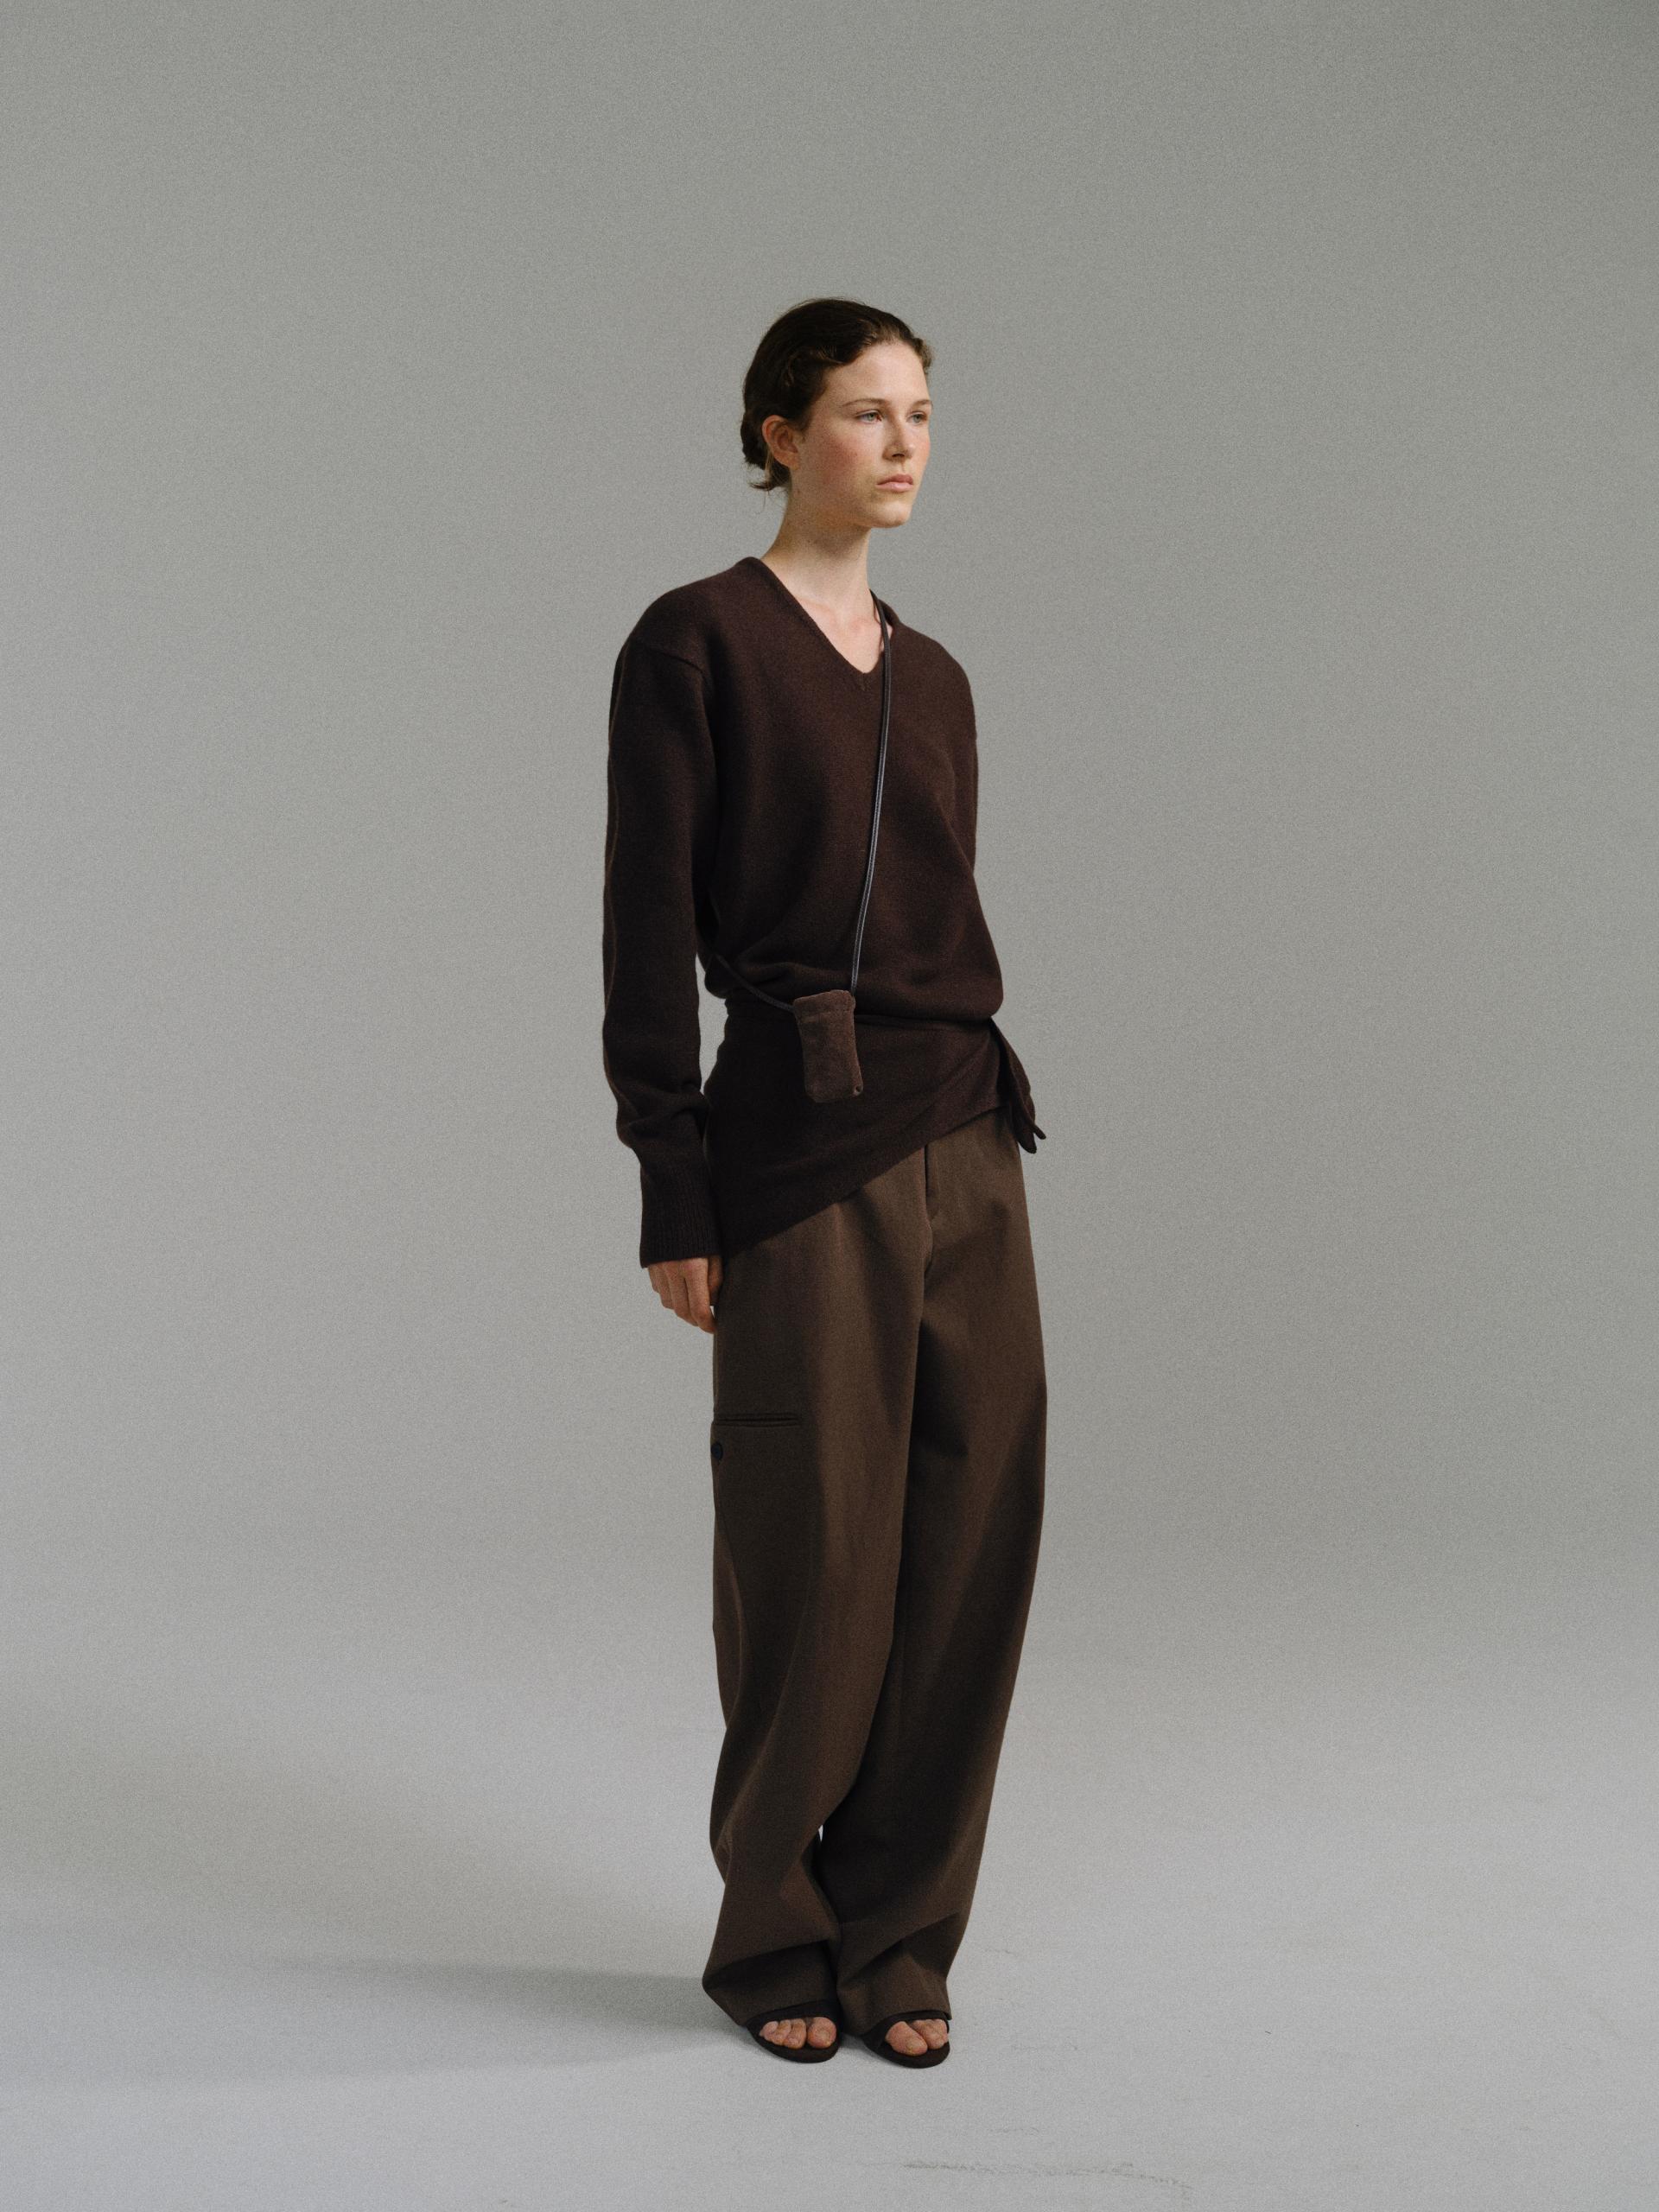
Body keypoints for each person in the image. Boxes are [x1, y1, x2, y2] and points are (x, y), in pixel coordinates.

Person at [601, 297, 1047, 2069]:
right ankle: (777, 1929)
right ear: (780, 434)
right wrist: (673, 1176)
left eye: (921, 411)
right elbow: (647, 924)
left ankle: (901, 1934)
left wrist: (976, 1135)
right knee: (815, 1548)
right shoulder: (694, 642)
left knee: (968, 1542)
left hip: (970, 1133)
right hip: (800, 1147)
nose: (905, 443)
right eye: (867, 412)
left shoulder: (938, 678)